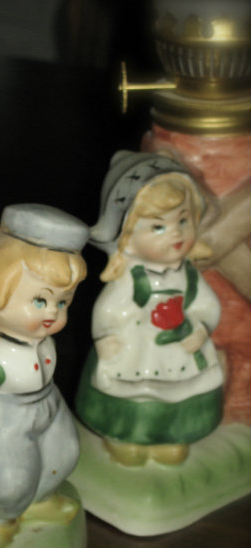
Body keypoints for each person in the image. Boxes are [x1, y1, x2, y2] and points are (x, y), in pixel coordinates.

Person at [75, 151, 224, 466]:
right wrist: (105, 337)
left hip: (180, 352)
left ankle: (172, 437)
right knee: (132, 398)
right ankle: (125, 437)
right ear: (127, 239)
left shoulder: (188, 274)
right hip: (135, 351)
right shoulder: (130, 278)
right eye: (158, 227)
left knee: (182, 397)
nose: (176, 233)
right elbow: (107, 310)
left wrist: (200, 327)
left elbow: (206, 304)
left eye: (183, 220)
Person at [0, 203, 89, 548]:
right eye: (40, 301)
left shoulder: (42, 341)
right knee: (8, 476)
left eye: (63, 303)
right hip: (9, 418)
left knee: (62, 452)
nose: (52, 313)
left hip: (46, 402)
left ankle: (40, 499)